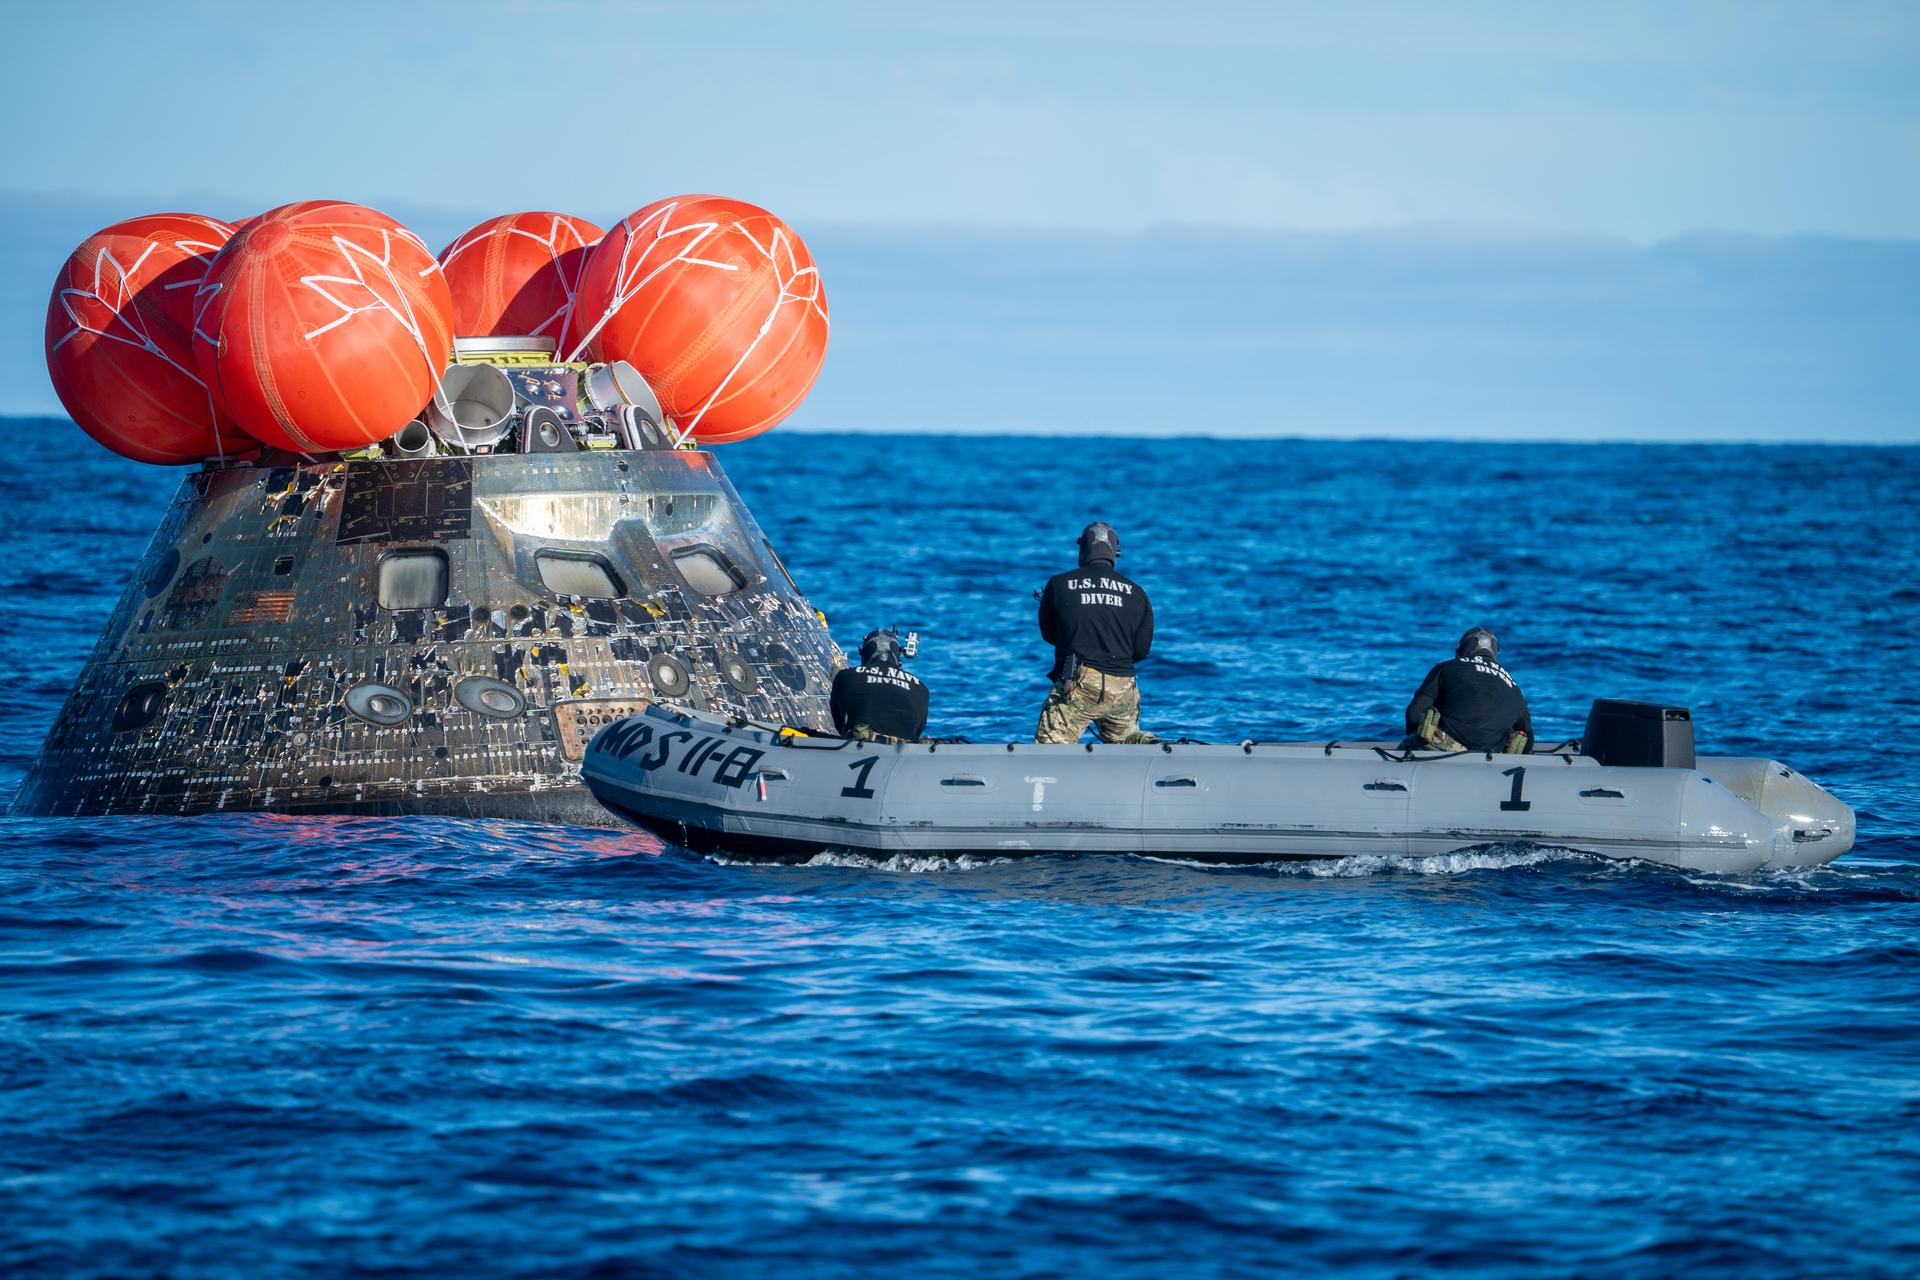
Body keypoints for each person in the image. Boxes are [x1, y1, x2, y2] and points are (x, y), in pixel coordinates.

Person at [1034, 521, 1160, 744]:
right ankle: (1156, 750)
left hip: (1080, 683)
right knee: (1127, 740)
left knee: (1051, 743)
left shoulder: (1059, 584)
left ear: (1083, 549)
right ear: (1114, 551)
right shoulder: (1138, 593)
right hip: (1123, 686)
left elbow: (1049, 634)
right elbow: (1141, 651)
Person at [1403, 626, 1533, 754]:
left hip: (1445, 747)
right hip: (1491, 759)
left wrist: (1417, 738)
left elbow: (1414, 714)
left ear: (1460, 651)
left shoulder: (1445, 668)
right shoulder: (1514, 686)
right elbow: (1527, 739)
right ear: (1494, 653)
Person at [830, 628, 929, 744]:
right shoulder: (921, 688)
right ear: (897, 656)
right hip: (905, 752)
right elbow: (917, 730)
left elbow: (838, 721)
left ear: (865, 654)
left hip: (860, 748)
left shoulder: (846, 676)